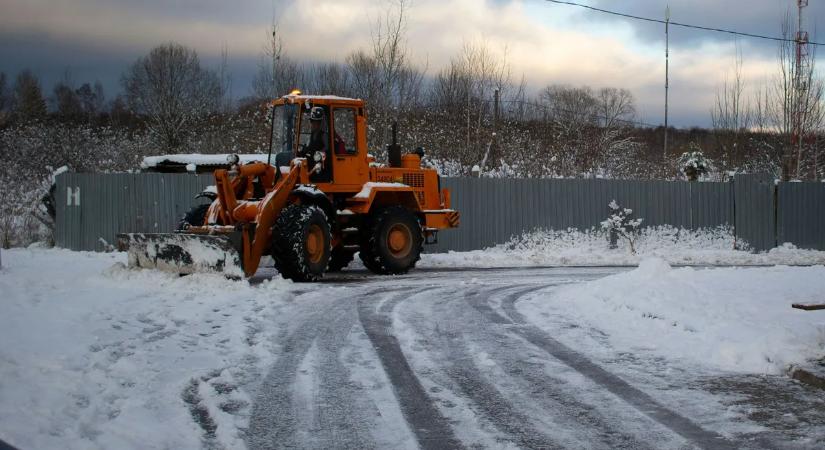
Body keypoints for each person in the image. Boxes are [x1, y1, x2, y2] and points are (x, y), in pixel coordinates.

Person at [300, 106, 330, 179]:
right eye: (312, 121)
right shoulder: (313, 134)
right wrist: (304, 150)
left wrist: (318, 153)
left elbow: (326, 148)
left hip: (319, 163)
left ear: (319, 123)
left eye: (314, 122)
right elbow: (311, 147)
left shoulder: (323, 135)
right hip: (312, 159)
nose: (312, 124)